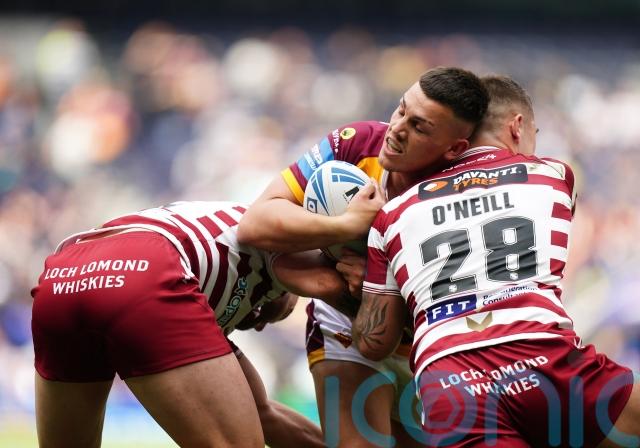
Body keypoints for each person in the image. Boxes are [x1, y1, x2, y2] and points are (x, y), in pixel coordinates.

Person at [352, 75, 640, 447]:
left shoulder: (392, 214)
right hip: (542, 356)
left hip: (451, 383)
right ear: (517, 127)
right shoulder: (552, 175)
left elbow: (373, 342)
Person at [238, 66, 490, 446]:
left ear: (454, 149)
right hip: (344, 323)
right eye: (401, 110)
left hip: (428, 342)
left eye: (419, 127)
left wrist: (378, 278)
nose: (397, 129)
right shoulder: (355, 144)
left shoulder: (469, 193)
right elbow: (255, 223)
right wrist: (347, 225)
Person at [31, 200, 349, 448]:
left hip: (63, 274)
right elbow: (332, 280)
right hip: (147, 264)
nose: (259, 323)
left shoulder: (208, 274)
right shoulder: (278, 240)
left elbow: (261, 411)